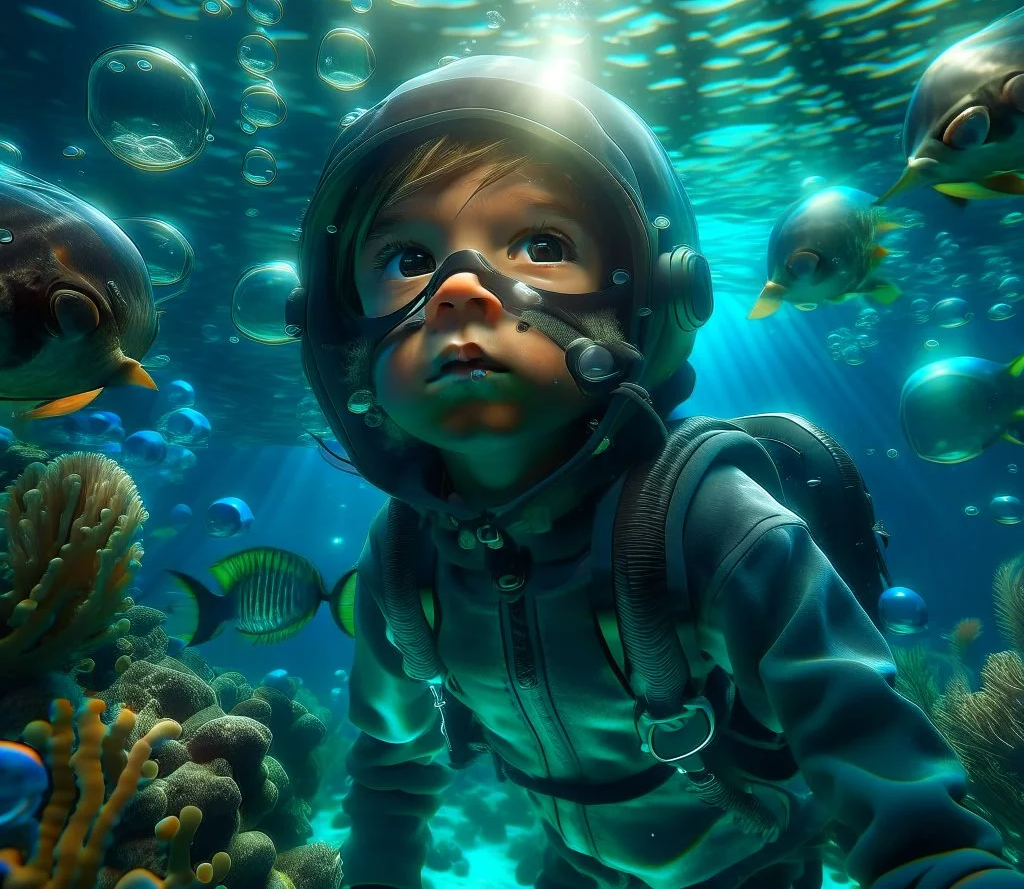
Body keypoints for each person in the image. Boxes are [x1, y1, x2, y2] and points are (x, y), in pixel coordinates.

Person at [288, 56, 1022, 889]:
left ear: (660, 291)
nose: (461, 292)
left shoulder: (705, 516)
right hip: (568, 865)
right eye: (408, 259)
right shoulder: (403, 554)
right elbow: (391, 764)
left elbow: (874, 761)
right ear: (335, 327)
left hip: (753, 867)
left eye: (540, 244)